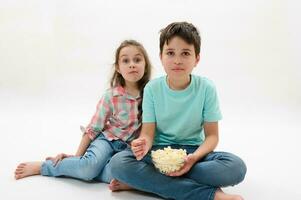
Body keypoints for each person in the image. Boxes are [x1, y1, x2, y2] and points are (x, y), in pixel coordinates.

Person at [108, 22, 247, 200]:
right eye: (171, 53)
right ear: (161, 56)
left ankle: (146, 183)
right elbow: (148, 134)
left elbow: (212, 136)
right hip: (158, 154)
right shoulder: (152, 88)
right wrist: (143, 143)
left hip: (193, 152)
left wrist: (193, 158)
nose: (177, 60)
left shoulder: (206, 88)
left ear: (197, 58)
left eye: (185, 53)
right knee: (118, 164)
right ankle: (212, 196)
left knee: (236, 167)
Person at [14, 40, 152, 186]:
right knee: (88, 167)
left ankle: (91, 171)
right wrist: (78, 157)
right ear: (118, 68)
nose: (132, 64)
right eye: (126, 61)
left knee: (116, 173)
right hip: (107, 140)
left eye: (137, 60)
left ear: (145, 65)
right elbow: (94, 127)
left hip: (127, 148)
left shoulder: (151, 94)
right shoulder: (111, 96)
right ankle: (44, 167)